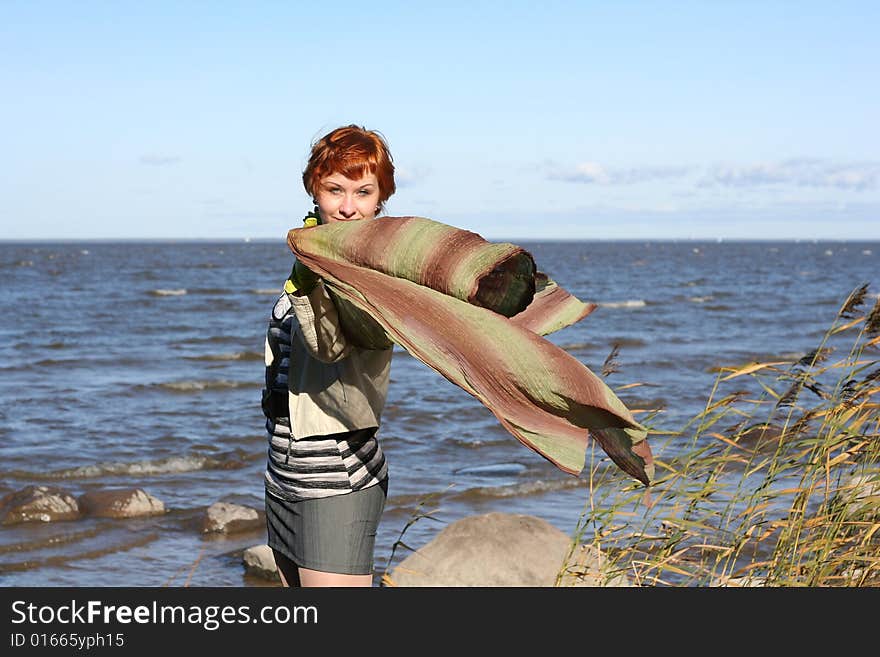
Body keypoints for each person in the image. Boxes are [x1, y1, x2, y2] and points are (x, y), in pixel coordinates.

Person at [261, 124, 396, 587]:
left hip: (337, 479)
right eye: (334, 189)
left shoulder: (376, 273)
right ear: (313, 191)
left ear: (381, 197)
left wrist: (307, 274)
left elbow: (329, 347)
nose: (347, 206)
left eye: (363, 191)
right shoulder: (322, 258)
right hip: (283, 472)